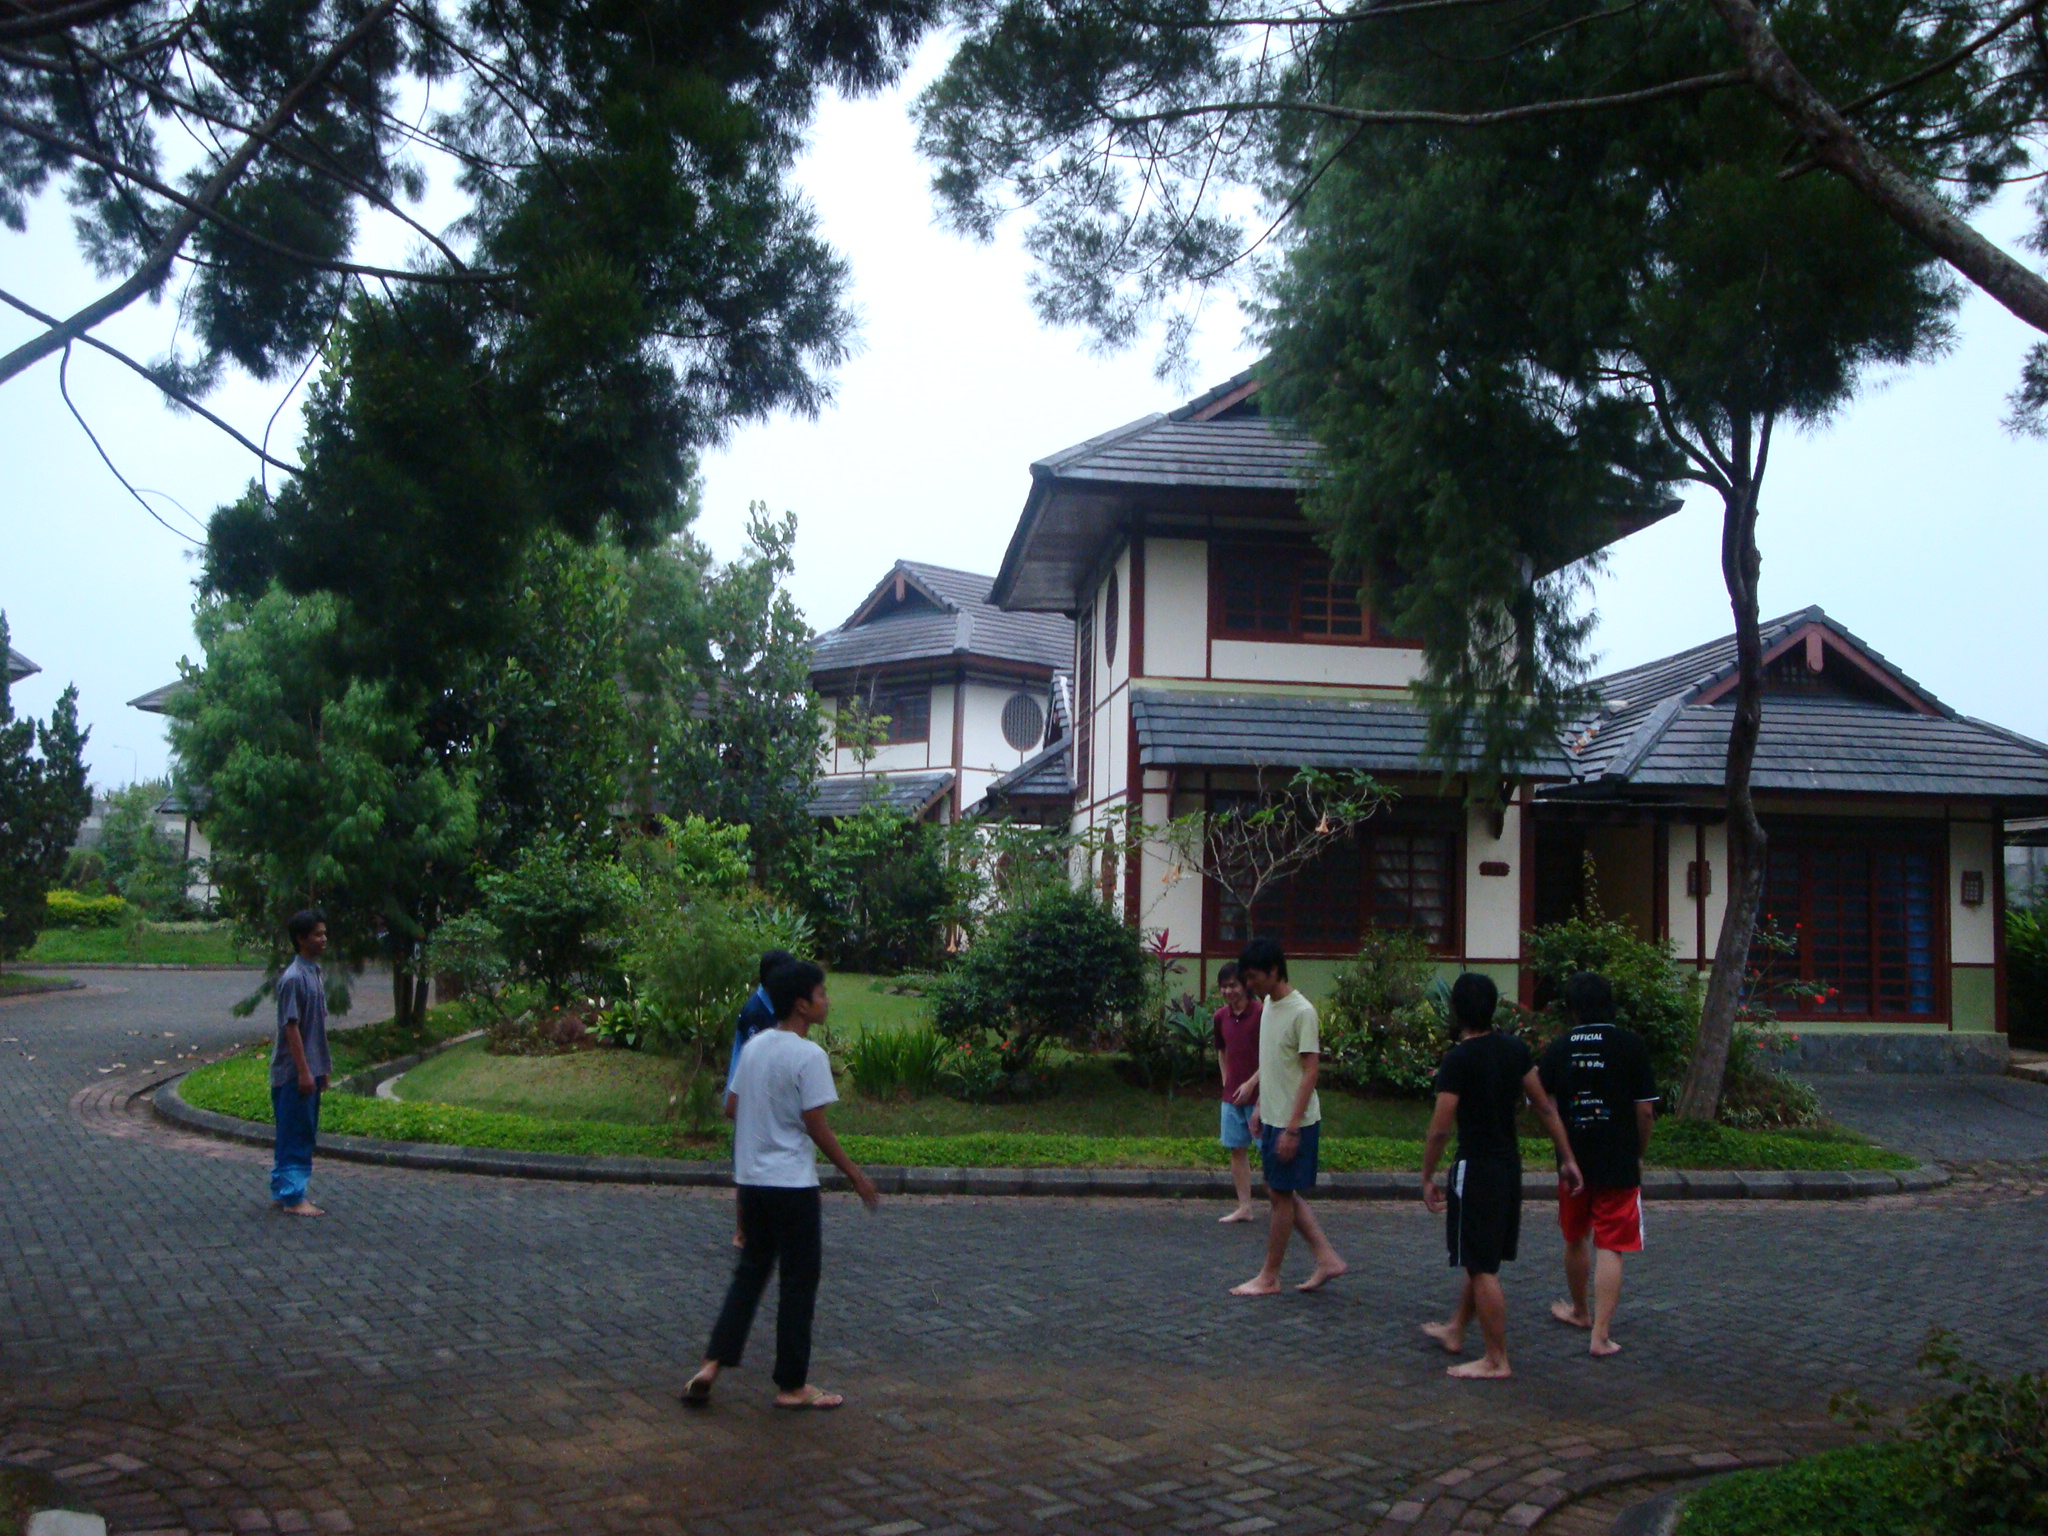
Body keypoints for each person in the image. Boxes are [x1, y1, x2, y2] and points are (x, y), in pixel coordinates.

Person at [684, 960, 880, 1411]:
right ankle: (792, 1386)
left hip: (752, 1184)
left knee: (749, 1276)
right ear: (801, 1005)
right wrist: (855, 1174)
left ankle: (710, 1365)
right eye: (821, 994)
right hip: (792, 1186)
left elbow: (732, 1107)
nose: (827, 1000)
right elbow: (816, 1125)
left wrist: (766, 1117)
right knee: (798, 1283)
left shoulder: (755, 1047)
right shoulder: (809, 1056)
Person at [1420, 972, 1583, 1380]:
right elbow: (1544, 1107)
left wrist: (1426, 1175)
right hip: (1509, 1167)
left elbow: (1440, 1127)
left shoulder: (1458, 1060)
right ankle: (1456, 1329)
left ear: (1456, 1011)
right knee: (1483, 1257)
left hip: (1475, 1168)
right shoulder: (1514, 1049)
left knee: (1481, 1266)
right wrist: (1567, 1157)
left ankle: (1496, 1359)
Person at [1539, 971, 1658, 1358]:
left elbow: (1543, 1105)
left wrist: (1564, 1153)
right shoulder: (1631, 1045)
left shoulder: (1560, 1048)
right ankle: (1601, 1336)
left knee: (1576, 1237)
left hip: (1572, 1161)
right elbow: (1645, 1111)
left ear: (1573, 1009)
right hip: (1618, 1159)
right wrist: (1638, 1153)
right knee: (1612, 1243)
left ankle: (1580, 1311)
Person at [1229, 939, 1348, 1295]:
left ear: (1274, 970)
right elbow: (1274, 1063)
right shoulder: (1269, 1005)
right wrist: (1261, 1107)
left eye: (1254, 977)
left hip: (1295, 1121)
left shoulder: (1302, 1012)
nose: (1250, 985)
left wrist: (1292, 1128)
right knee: (1278, 1191)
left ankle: (1270, 1276)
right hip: (1274, 1116)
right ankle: (1326, 1258)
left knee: (1280, 1195)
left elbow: (1311, 1071)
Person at [726, 949, 796, 1246]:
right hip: (748, 1097)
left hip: (764, 1098)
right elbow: (755, 1063)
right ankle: (743, 1230)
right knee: (749, 1166)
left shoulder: (778, 1007)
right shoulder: (756, 1012)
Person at [270, 908, 331, 1217]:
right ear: (301, 939)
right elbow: (291, 1028)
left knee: (298, 1130)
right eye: (317, 934)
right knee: (296, 1133)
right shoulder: (294, 979)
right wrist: (305, 1071)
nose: (323, 939)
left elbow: (316, 1027)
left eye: (324, 933)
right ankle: (293, 1196)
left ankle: (284, 1190)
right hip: (293, 1072)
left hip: (311, 1069)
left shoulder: (314, 973)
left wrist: (322, 1068)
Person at [1212, 962, 1264, 1223]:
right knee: (1236, 1149)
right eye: (1223, 986)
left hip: (1262, 1098)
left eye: (1233, 985)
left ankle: (1285, 1206)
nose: (1228, 991)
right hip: (1232, 1098)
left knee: (1270, 1153)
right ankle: (1244, 1207)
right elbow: (1221, 1051)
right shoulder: (1220, 1016)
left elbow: (1273, 1056)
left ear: (1245, 986)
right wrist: (1227, 1082)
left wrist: (1252, 1083)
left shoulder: (1262, 1013)